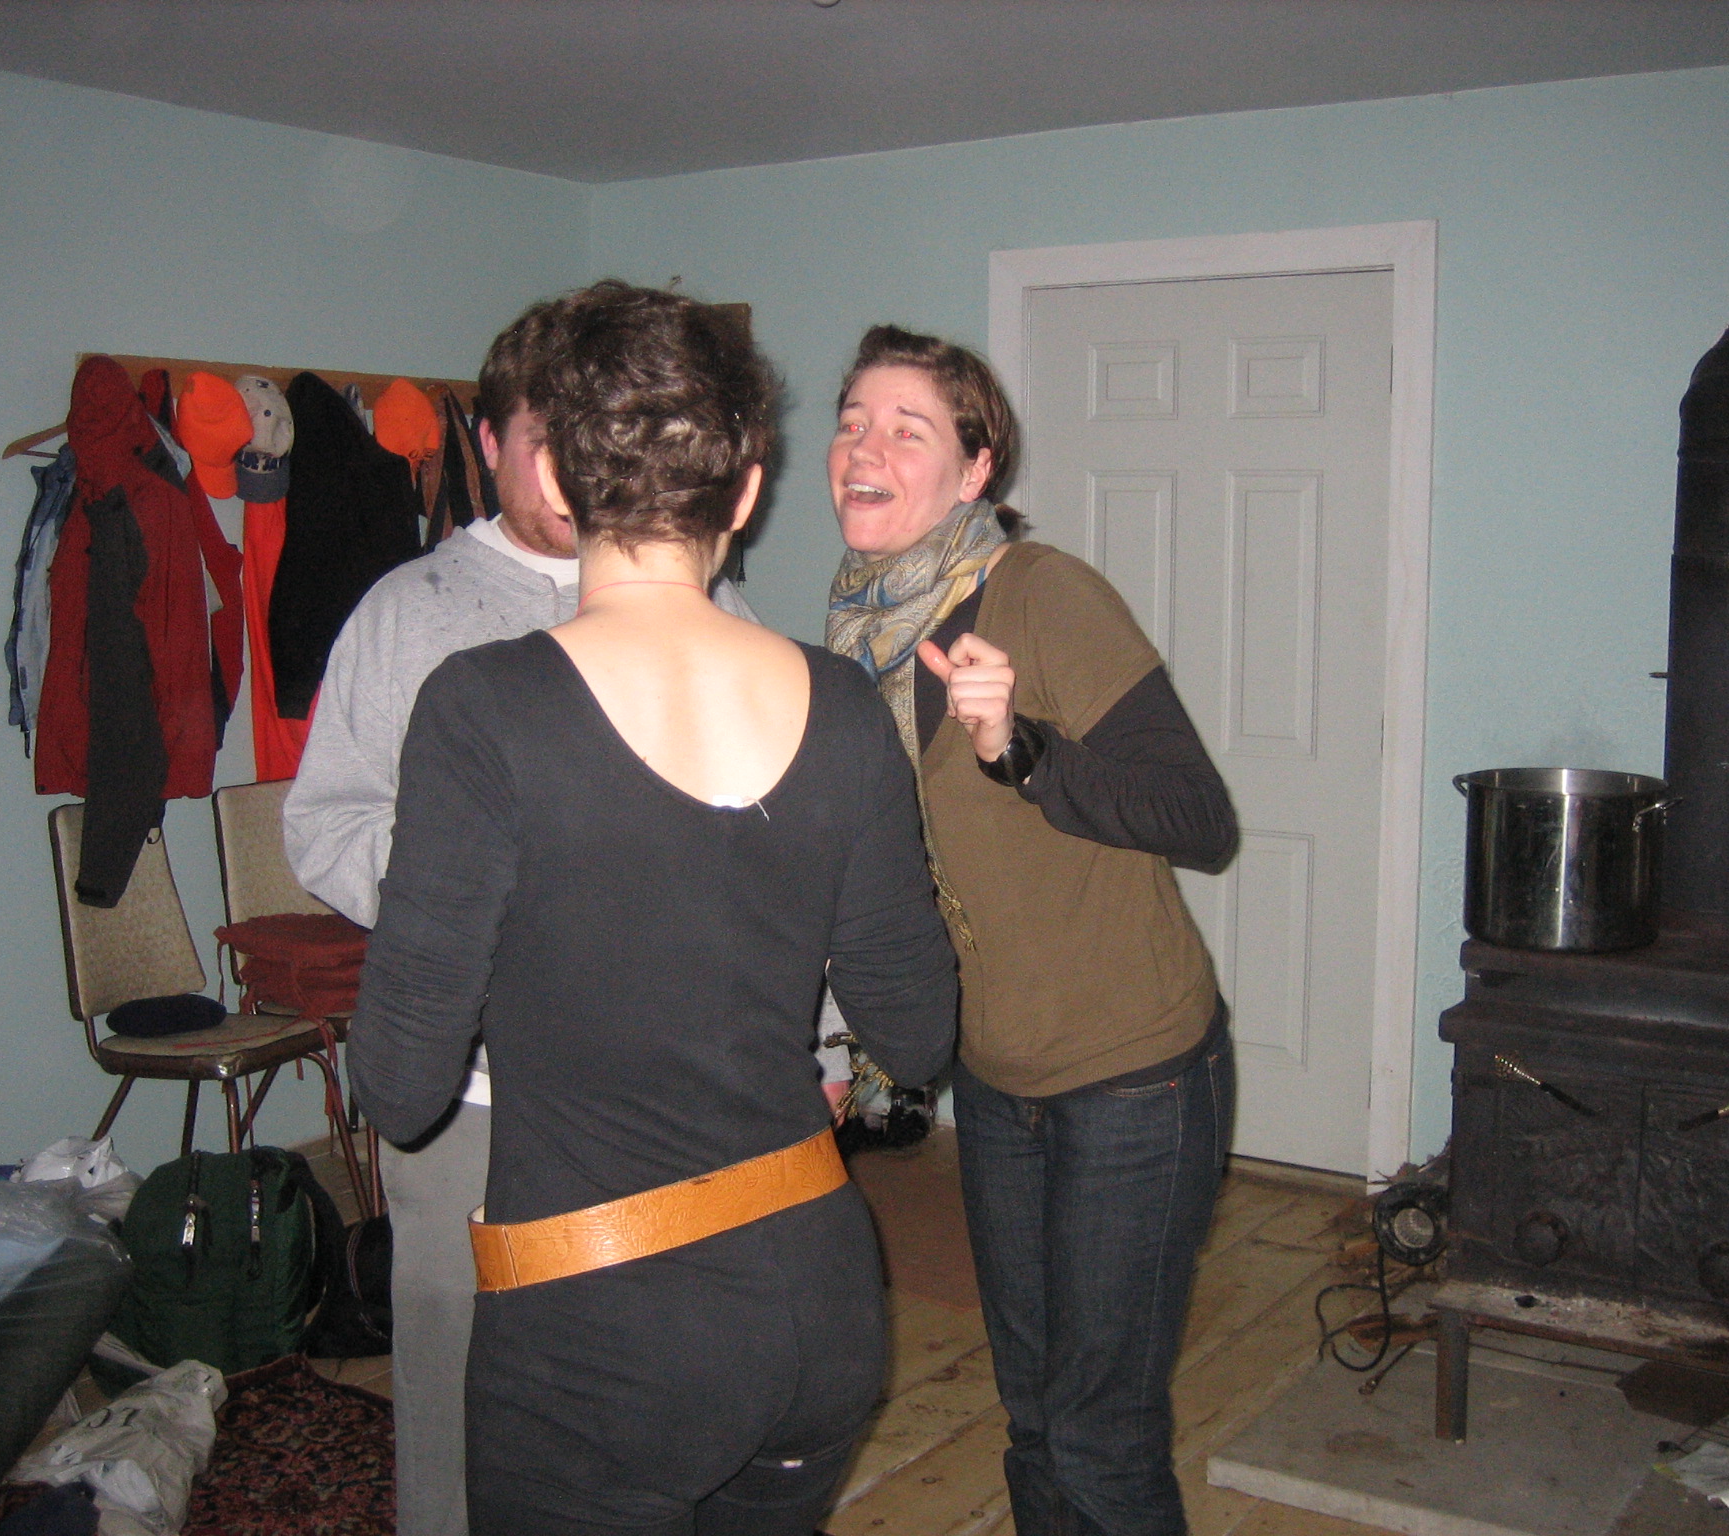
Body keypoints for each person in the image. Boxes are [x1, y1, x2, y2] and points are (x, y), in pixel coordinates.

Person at [347, 282, 958, 1534]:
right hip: (817, 1303)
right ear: (744, 493)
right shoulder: (842, 706)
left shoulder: (482, 708)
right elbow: (918, 1033)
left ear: (554, 481)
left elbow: (400, 1090)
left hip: (599, 1333)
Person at [283, 301, 758, 1536]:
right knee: (457, 1390)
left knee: (651, 1383)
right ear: (491, 443)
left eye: (589, 434)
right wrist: (473, 888)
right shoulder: (410, 612)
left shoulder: (713, 607)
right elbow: (325, 825)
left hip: (666, 1093)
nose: (568, 468)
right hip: (471, 1092)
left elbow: (766, 845)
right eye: (543, 437)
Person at [825, 326, 1240, 1536]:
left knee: (1100, 1438)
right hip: (998, 1079)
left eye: (907, 429)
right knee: (1034, 1419)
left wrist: (1024, 752)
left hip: (1133, 1075)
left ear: (974, 470)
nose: (864, 447)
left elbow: (1198, 818)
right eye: (853, 422)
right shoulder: (856, 636)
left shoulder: (1041, 594)